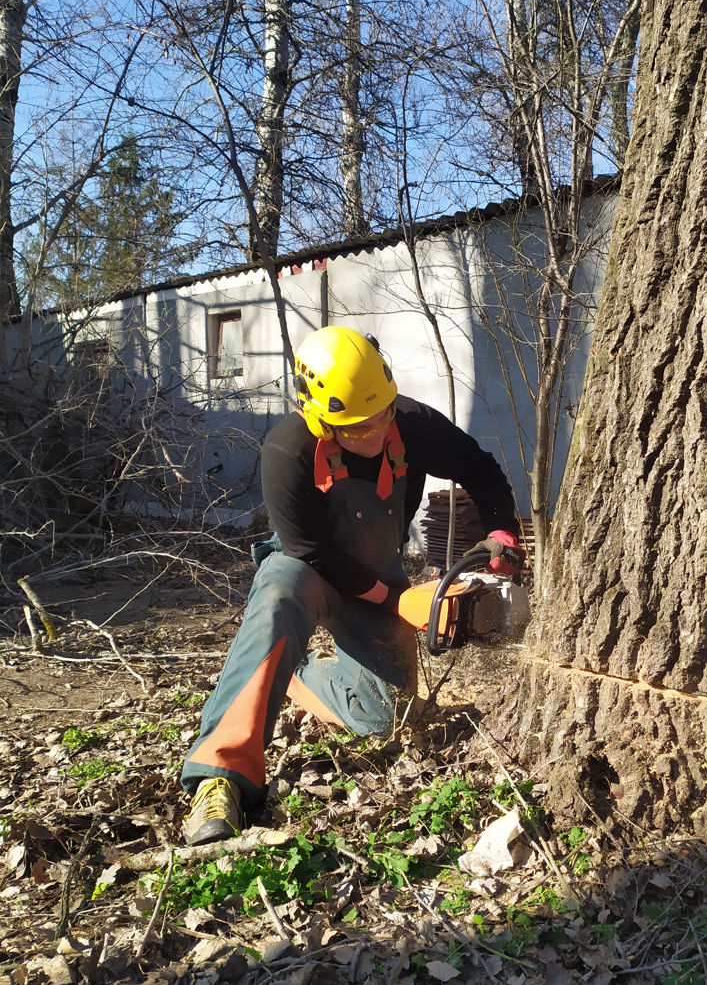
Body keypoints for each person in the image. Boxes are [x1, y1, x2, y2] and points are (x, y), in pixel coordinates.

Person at [180, 325, 523, 845]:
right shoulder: (287, 451)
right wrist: (398, 600)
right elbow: (312, 551)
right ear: (320, 415)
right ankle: (219, 776)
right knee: (277, 602)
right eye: (359, 425)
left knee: (383, 717)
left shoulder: (410, 422)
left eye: (381, 414)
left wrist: (502, 530)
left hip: (378, 566)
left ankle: (296, 678)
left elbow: (480, 468)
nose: (376, 429)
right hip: (307, 566)